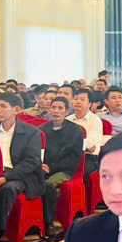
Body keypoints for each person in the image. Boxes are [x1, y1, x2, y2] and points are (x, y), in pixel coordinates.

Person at [0, 93, 44, 240]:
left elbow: (32, 161)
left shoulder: (31, 132)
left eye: (3, 106)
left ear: (16, 109)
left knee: (7, 189)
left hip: (22, 175)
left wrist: (6, 177)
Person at [39, 95, 85, 229]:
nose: (56, 111)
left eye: (60, 108)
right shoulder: (42, 129)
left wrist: (51, 167)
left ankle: (48, 223)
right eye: (53, 107)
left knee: (48, 184)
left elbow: (74, 158)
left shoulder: (76, 131)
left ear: (67, 111)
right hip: (42, 167)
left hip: (65, 170)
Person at [69, 87, 105, 161]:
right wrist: (85, 147)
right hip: (69, 156)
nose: (78, 102)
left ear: (90, 104)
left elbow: (89, 144)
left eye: (82, 99)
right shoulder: (68, 119)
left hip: (89, 158)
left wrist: (69, 143)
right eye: (76, 99)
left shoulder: (95, 120)